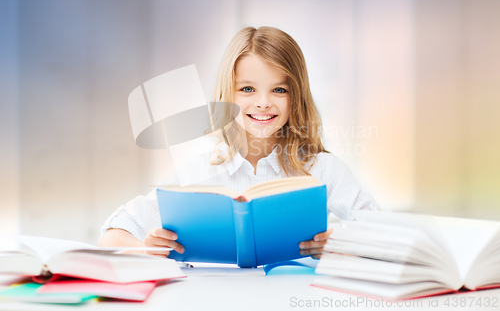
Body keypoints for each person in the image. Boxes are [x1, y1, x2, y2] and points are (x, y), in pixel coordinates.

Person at [98, 26, 381, 259]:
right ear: (228, 94)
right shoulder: (196, 172)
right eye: (247, 89)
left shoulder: (324, 169)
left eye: (279, 89)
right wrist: (146, 251)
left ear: (296, 97)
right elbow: (111, 236)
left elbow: (387, 236)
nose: (263, 103)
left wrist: (346, 245)